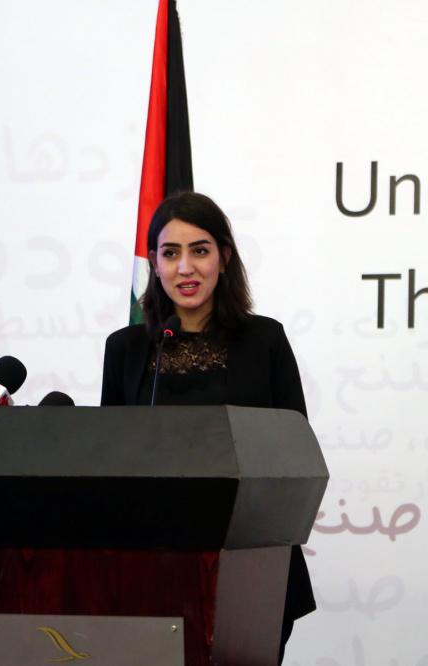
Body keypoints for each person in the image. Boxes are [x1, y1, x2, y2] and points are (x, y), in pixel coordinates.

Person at [100, 191, 315, 663]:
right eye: (170, 253)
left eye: (200, 250)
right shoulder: (126, 349)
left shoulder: (265, 341)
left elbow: (295, 455)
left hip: (251, 566)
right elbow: (110, 465)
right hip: (148, 568)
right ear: (154, 264)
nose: (186, 268)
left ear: (224, 257)